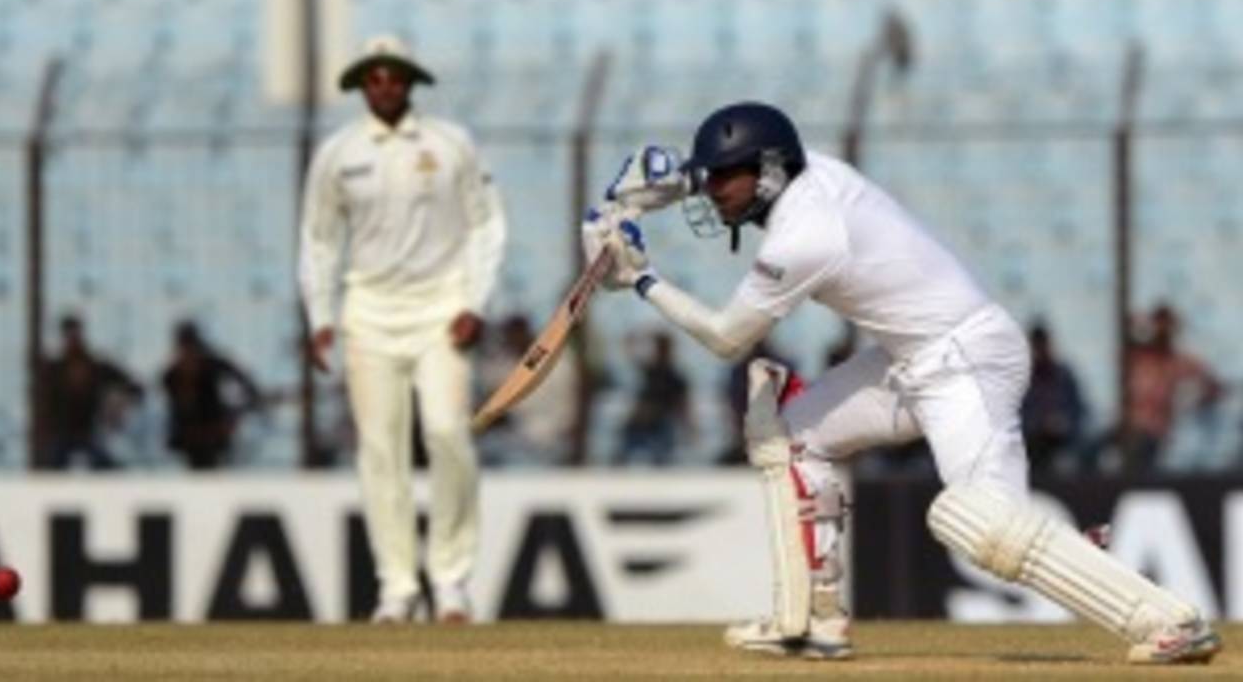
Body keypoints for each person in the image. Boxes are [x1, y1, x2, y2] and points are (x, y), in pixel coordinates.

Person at [580, 104, 1220, 664]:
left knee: (974, 523)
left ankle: (1169, 621)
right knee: (790, 434)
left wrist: (640, 279)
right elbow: (726, 172)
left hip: (963, 361)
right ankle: (812, 621)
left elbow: (726, 338)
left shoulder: (805, 237)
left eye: (725, 178)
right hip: (913, 359)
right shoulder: (805, 169)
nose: (714, 193)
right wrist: (647, 192)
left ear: (768, 172)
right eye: (711, 179)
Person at [298, 34, 506, 624]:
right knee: (379, 450)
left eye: (394, 75)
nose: (385, 85)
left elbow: (485, 226)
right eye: (374, 76)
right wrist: (319, 317)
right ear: (362, 85)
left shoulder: (449, 143)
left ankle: (451, 583)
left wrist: (475, 301)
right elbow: (318, 241)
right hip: (368, 313)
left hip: (441, 311)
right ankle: (396, 586)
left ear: (411, 81)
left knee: (446, 434)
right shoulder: (339, 153)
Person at [1122, 303, 1224, 474]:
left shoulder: (1179, 363)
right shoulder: (1137, 359)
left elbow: (1213, 385)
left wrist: (1199, 397)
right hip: (1131, 433)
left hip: (1158, 436)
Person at [38, 314, 144, 470]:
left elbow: (134, 388)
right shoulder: (55, 370)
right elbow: (44, 405)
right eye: (69, 335)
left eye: (75, 334)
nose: (73, 339)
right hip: (63, 434)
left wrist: (117, 406)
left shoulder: (95, 366)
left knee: (107, 467)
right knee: (51, 465)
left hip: (90, 432)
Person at [475, 313, 578, 467]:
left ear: (528, 333)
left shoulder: (559, 361)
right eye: (509, 336)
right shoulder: (507, 364)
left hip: (553, 443)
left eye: (517, 335)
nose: (513, 340)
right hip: (519, 442)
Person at [160, 321, 264, 470]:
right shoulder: (172, 374)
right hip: (189, 438)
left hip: (214, 435)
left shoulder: (212, 365)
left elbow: (244, 382)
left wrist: (240, 410)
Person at [1020, 320, 1088, 475]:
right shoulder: (1022, 379)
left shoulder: (1064, 376)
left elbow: (1079, 412)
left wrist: (1063, 424)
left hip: (1064, 445)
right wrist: (1040, 425)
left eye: (1043, 344)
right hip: (1032, 449)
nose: (1040, 351)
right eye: (1037, 346)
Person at [614, 331, 692, 466]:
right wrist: (639, 337)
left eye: (662, 347)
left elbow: (682, 405)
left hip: (661, 426)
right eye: (659, 347)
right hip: (639, 424)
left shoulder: (675, 377)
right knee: (621, 459)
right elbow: (630, 353)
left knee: (661, 462)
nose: (660, 351)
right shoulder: (652, 370)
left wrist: (690, 428)